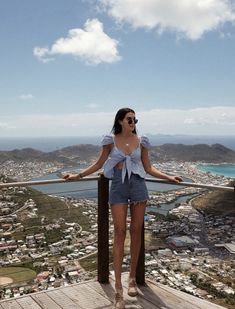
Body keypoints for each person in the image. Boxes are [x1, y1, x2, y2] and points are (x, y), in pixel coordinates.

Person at [63, 107, 182, 309]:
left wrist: (168, 177)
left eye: (135, 119)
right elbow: (99, 163)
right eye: (129, 119)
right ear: (120, 121)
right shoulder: (110, 140)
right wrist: (78, 176)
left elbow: (148, 167)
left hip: (138, 185)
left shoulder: (142, 141)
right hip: (118, 185)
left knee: (136, 232)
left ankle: (132, 278)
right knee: (119, 233)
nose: (133, 122)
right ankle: (118, 288)